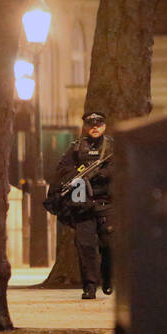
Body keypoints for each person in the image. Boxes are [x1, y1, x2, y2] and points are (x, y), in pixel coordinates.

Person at [51, 111, 114, 300]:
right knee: (85, 246)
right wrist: (78, 173)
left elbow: (123, 166)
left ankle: (108, 278)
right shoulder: (76, 148)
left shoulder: (112, 148)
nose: (95, 127)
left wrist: (103, 174)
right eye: (91, 124)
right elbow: (62, 170)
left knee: (109, 245)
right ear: (85, 126)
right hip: (82, 204)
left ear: (104, 126)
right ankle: (90, 286)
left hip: (106, 203)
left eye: (99, 123)